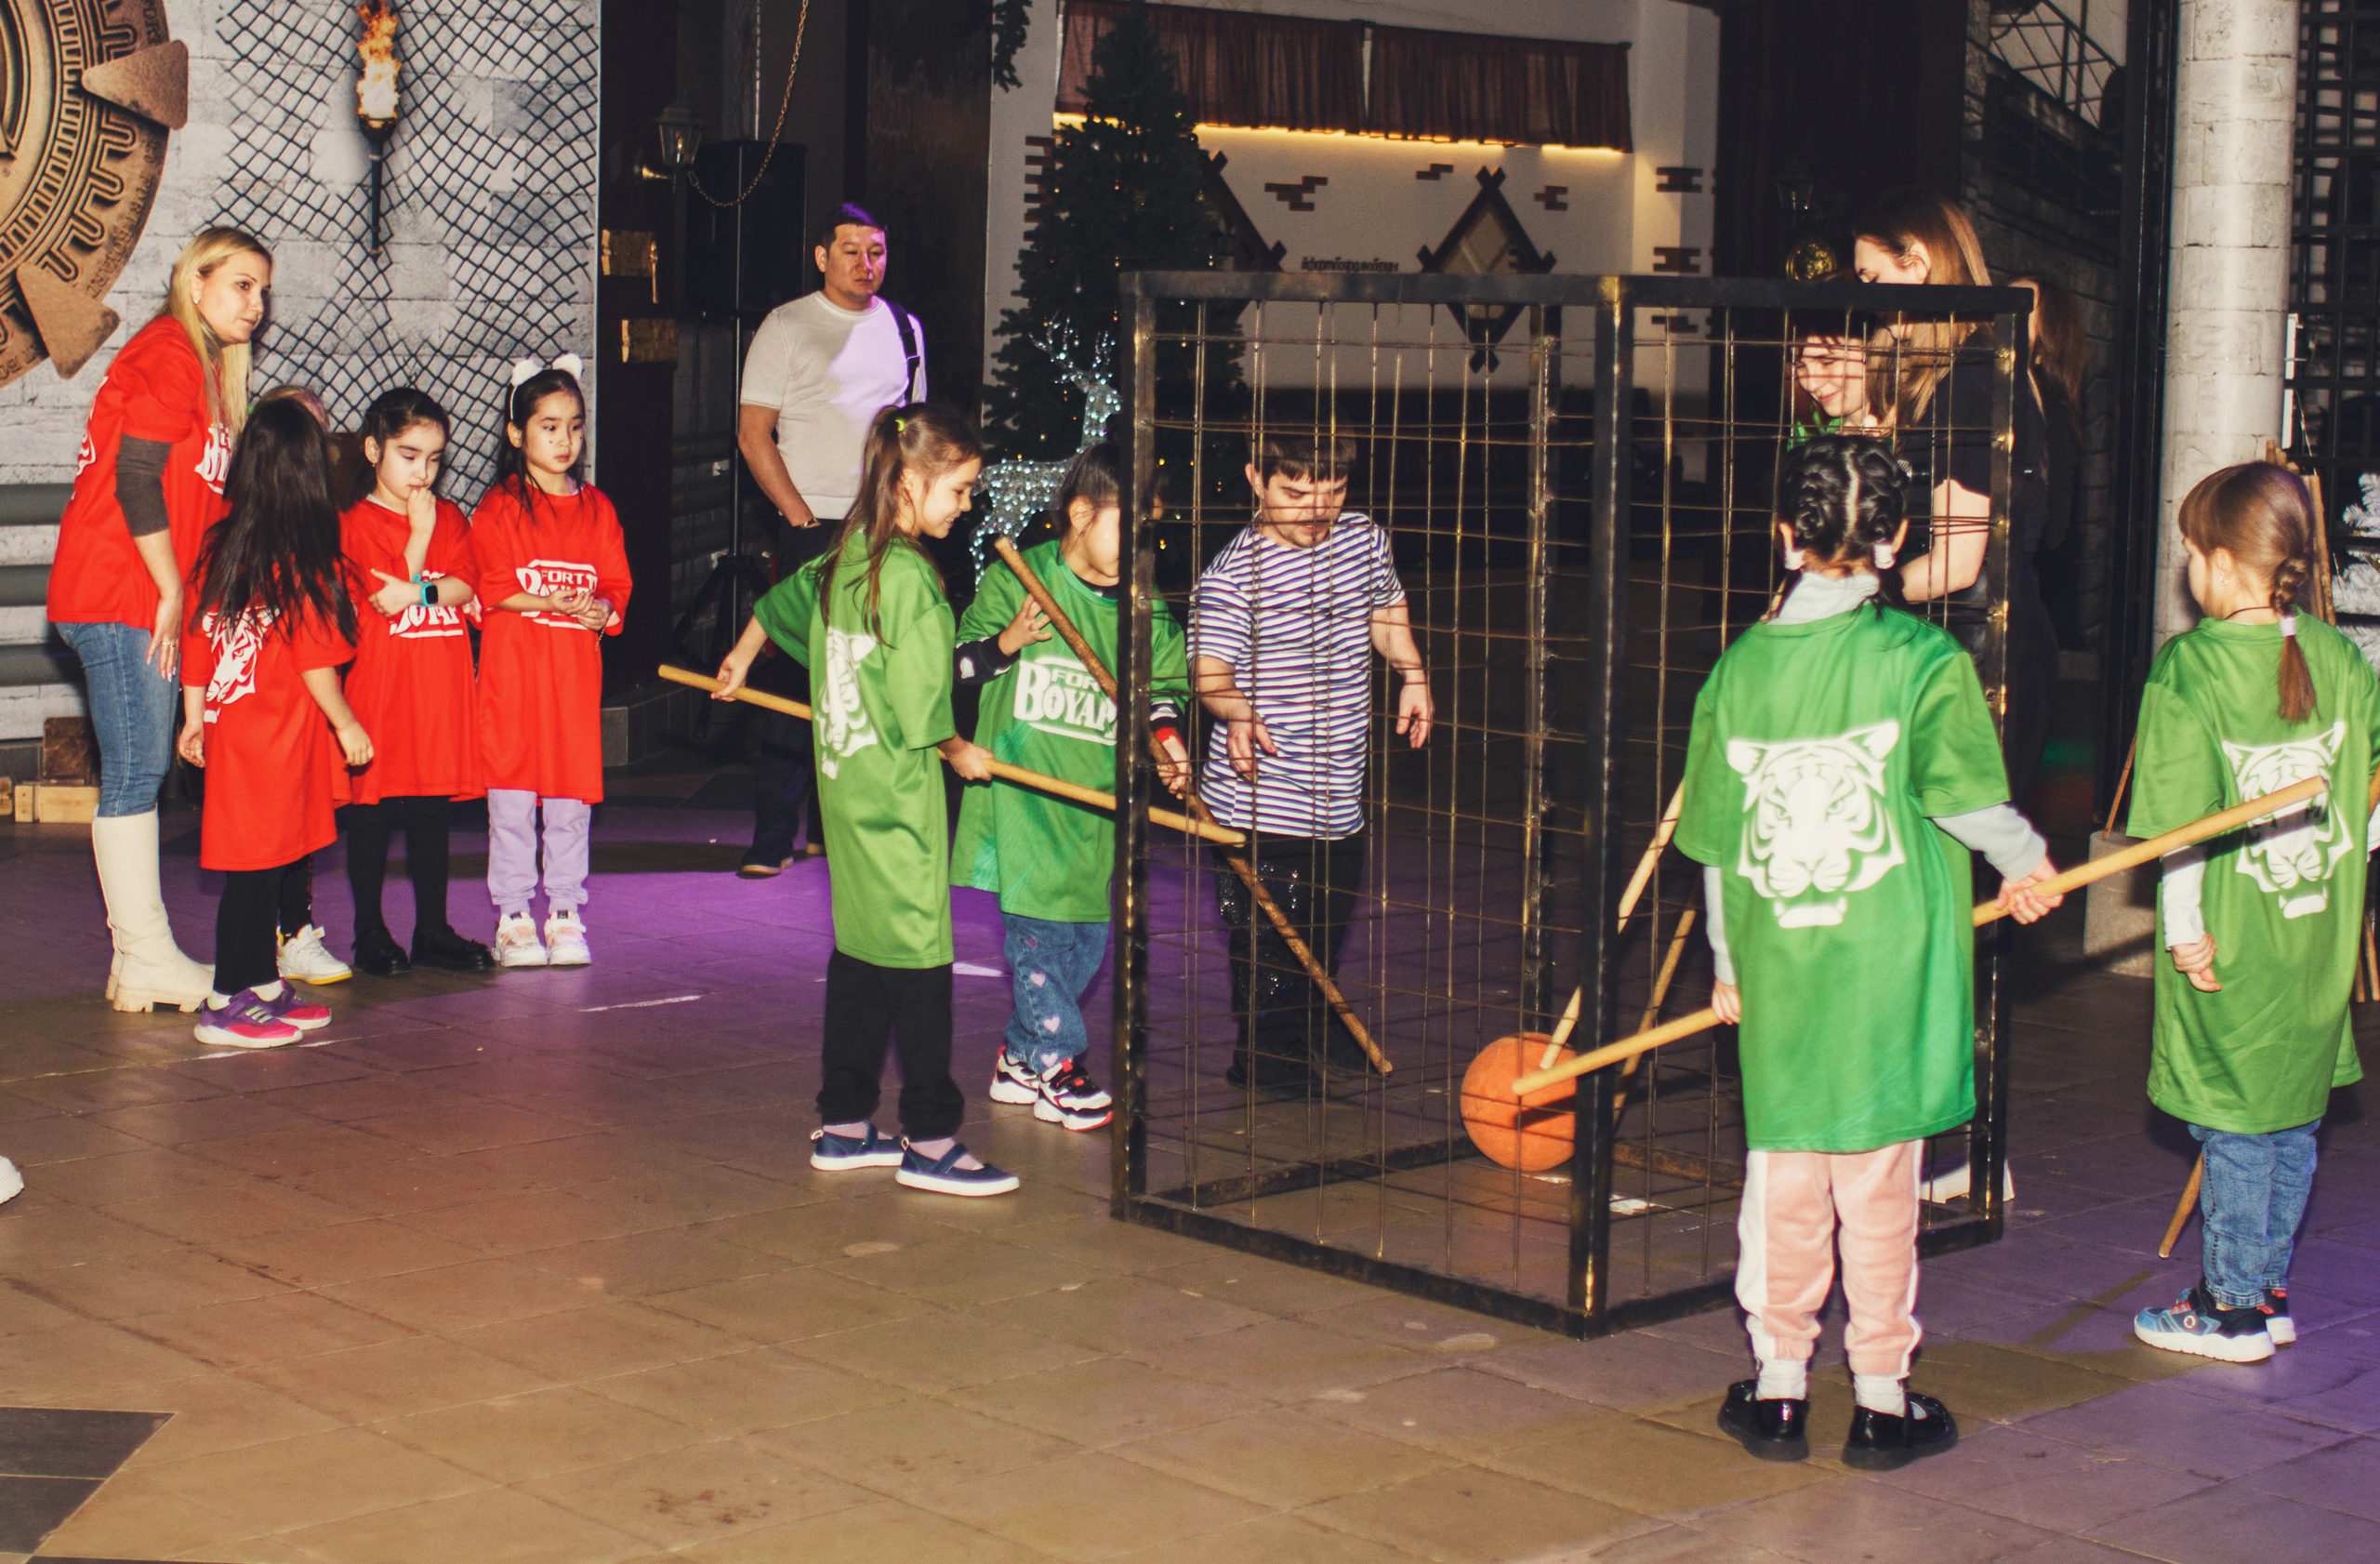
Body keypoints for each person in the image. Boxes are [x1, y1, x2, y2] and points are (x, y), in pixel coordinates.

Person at [1677, 435, 2062, 1470]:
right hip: (1888, 969)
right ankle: (1883, 1399)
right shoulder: (1925, 662)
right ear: (1896, 541)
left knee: (1784, 1177)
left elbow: (1715, 845)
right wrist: (2026, 862)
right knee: (1880, 1187)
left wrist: (1726, 963)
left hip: (1782, 973)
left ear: (1781, 536)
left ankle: (1779, 1390)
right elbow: (1969, 798)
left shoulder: (1738, 669)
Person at [711, 404, 1017, 1197]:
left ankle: (846, 1124)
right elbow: (925, 709)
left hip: (845, 799)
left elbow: (777, 607)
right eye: (959, 488)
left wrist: (742, 658)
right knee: (920, 964)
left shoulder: (845, 557)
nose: (966, 504)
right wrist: (960, 751)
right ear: (911, 483)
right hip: (898, 811)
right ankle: (932, 1137)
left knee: (861, 952)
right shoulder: (915, 582)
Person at [2127, 463, 2380, 1362]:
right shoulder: (2341, 657)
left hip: (2234, 934)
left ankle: (2230, 1306)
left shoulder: (2192, 669)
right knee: (2292, 1116)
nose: (2189, 567)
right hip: (2318, 940)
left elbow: (2177, 829)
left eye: (2193, 552)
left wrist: (2186, 931)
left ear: (2228, 564)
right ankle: (2267, 1286)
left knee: (2234, 1119)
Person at [46, 228, 269, 1014]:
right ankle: (143, 957)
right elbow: (134, 475)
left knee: (141, 771)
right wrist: (171, 590)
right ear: (197, 280)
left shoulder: (208, 368)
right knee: (138, 772)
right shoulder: (170, 350)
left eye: (262, 291)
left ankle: (133, 961)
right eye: (242, 285)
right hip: (119, 591)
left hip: (143, 596)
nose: (256, 303)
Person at [949, 444, 1193, 1132]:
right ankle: (1059, 1063)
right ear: (1080, 514)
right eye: (1131, 530)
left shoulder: (1145, 613)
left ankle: (1020, 1058)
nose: (1143, 548)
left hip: (1094, 812)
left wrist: (1169, 746)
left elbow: (1162, 696)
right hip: (1022, 804)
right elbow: (958, 668)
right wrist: (1008, 642)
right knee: (1039, 943)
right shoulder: (1018, 578)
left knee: (1085, 945)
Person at [1189, 432, 1433, 1095]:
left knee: (1322, 930)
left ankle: (1307, 1029)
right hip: (1259, 795)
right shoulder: (1232, 575)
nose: (1314, 511)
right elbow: (1209, 673)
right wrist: (1238, 712)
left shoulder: (1363, 539)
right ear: (1255, 479)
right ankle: (1265, 1058)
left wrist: (1412, 673)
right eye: (1295, 494)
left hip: (1340, 788)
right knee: (1269, 942)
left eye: (1332, 493)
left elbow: (1386, 609)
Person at [731, 204, 925, 876]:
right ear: (821, 256)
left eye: (876, 251)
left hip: (881, 524)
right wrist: (797, 517)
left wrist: (904, 513)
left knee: (863, 677)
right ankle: (771, 837)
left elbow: (911, 437)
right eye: (850, 250)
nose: (865, 264)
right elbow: (754, 432)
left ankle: (831, 830)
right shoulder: (787, 325)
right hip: (809, 522)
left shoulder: (905, 328)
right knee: (794, 673)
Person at [1854, 190, 2058, 807]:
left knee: (1957, 852)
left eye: (1872, 276)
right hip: (1974, 637)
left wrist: (1858, 591)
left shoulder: (1969, 380)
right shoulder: (1964, 368)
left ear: (1918, 261)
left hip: (1982, 645)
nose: (1866, 296)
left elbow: (1958, 563)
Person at [176, 397, 364, 1048]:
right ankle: (225, 1000)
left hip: (240, 735)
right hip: (275, 741)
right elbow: (317, 661)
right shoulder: (303, 558)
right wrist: (346, 723)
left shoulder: (222, 544)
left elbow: (198, 640)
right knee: (254, 873)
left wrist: (194, 718)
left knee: (275, 861)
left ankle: (261, 983)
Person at [469, 357, 630, 969]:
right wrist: (547, 600)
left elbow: (616, 583)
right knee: (511, 804)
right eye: (549, 427)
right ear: (517, 434)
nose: (565, 440)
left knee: (569, 806)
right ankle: (512, 916)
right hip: (513, 685)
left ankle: (564, 912)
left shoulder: (597, 509)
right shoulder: (500, 506)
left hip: (571, 687)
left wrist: (602, 608)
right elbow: (488, 585)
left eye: (575, 427)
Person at [337, 389, 493, 976]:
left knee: (432, 812)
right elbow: (383, 601)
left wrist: (422, 587)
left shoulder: (449, 515)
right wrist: (420, 543)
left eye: (433, 458)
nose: (422, 472)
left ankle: (432, 928)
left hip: (437, 687)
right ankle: (370, 932)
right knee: (373, 812)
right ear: (374, 450)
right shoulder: (354, 525)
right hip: (382, 690)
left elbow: (466, 587)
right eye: (408, 455)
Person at [246, 383, 354, 987]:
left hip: (309, 703)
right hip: (263, 708)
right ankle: (262, 945)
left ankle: (296, 929)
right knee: (262, 833)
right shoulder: (245, 530)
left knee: (305, 820)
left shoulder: (324, 523)